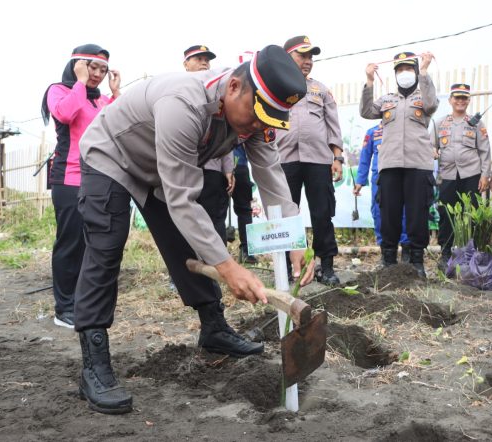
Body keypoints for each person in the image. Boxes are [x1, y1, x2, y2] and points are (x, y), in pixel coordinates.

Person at [73, 45, 315, 414]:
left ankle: (214, 329)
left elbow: (270, 174)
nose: (258, 126)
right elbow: (182, 199)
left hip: (160, 171)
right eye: (257, 115)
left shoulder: (254, 115)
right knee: (107, 245)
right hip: (113, 157)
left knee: (191, 243)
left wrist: (295, 240)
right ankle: (94, 361)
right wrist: (228, 266)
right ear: (233, 87)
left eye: (269, 120)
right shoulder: (183, 103)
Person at [41, 44, 121, 329]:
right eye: (92, 67)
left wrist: (114, 94)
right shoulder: (60, 90)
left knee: (91, 243)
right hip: (69, 178)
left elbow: (111, 126)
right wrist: (80, 82)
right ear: (77, 66)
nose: (97, 74)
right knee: (70, 242)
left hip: (96, 179)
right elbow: (64, 115)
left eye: (103, 69)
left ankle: (81, 301)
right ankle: (63, 308)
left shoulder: (99, 100)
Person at [361, 51, 439, 277]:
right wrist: (369, 80)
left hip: (418, 165)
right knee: (389, 215)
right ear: (395, 74)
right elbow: (366, 111)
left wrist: (424, 71)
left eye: (409, 69)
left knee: (417, 215)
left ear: (415, 71)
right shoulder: (387, 100)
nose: (405, 73)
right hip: (390, 165)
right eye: (400, 70)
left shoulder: (423, 96)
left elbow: (432, 105)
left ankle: (417, 263)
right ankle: (388, 261)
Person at [276, 36, 343, 285]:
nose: (307, 61)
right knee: (286, 216)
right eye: (302, 56)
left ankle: (326, 267)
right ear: (287, 57)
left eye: (310, 57)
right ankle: (287, 268)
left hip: (318, 160)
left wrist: (337, 157)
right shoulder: (276, 88)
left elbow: (333, 127)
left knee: (322, 213)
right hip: (284, 159)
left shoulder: (321, 90)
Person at [432, 84, 491, 268]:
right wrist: (433, 151)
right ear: (450, 100)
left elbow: (485, 151)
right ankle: (445, 253)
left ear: (468, 101)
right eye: (457, 98)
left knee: (472, 213)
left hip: (471, 175)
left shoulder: (476, 123)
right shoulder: (439, 123)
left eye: (464, 98)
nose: (460, 101)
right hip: (448, 175)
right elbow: (429, 145)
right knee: (446, 214)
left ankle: (472, 253)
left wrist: (485, 175)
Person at [183, 45, 234, 243]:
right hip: (185, 168)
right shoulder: (176, 89)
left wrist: (227, 169)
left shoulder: (218, 91)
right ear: (186, 64)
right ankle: (182, 271)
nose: (204, 62)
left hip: (212, 168)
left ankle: (217, 270)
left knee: (214, 219)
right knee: (185, 219)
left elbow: (224, 131)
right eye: (198, 58)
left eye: (207, 59)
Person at [353, 122, 410, 262]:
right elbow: (365, 157)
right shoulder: (373, 132)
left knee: (404, 213)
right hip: (379, 180)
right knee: (380, 214)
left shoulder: (405, 129)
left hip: (402, 177)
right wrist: (360, 181)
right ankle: (386, 253)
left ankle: (406, 252)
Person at [231, 143, 257, 264]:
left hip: (238, 163)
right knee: (216, 213)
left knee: (244, 210)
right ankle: (247, 252)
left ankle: (247, 250)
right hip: (219, 164)